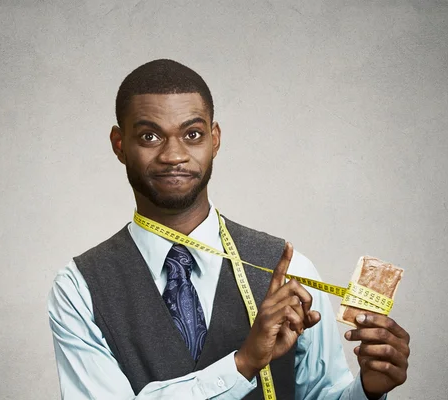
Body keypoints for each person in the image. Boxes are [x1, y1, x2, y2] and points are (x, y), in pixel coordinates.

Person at [47, 59, 410, 399]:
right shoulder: (79, 288)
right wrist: (243, 364)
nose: (174, 155)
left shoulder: (289, 271)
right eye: (150, 137)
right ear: (119, 144)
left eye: (192, 134)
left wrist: (367, 390)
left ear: (215, 139)